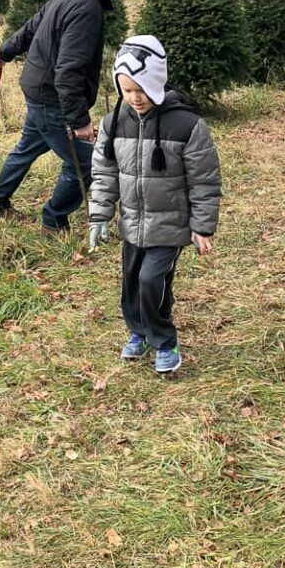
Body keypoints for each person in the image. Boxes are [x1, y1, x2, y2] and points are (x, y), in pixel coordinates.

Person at [88, 35, 221, 373]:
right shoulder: (112, 123)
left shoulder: (187, 126)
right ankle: (138, 331)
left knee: (152, 281)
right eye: (127, 90)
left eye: (141, 89)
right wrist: (100, 214)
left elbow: (204, 180)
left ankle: (164, 341)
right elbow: (104, 172)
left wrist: (202, 226)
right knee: (131, 283)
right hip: (132, 224)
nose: (135, 98)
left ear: (156, 82)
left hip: (170, 226)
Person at [0, 0, 139, 235]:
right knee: (84, 163)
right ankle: (54, 221)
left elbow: (33, 23)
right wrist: (79, 120)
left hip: (38, 88)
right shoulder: (87, 8)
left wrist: (5, 52)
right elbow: (68, 70)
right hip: (51, 98)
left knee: (27, 148)